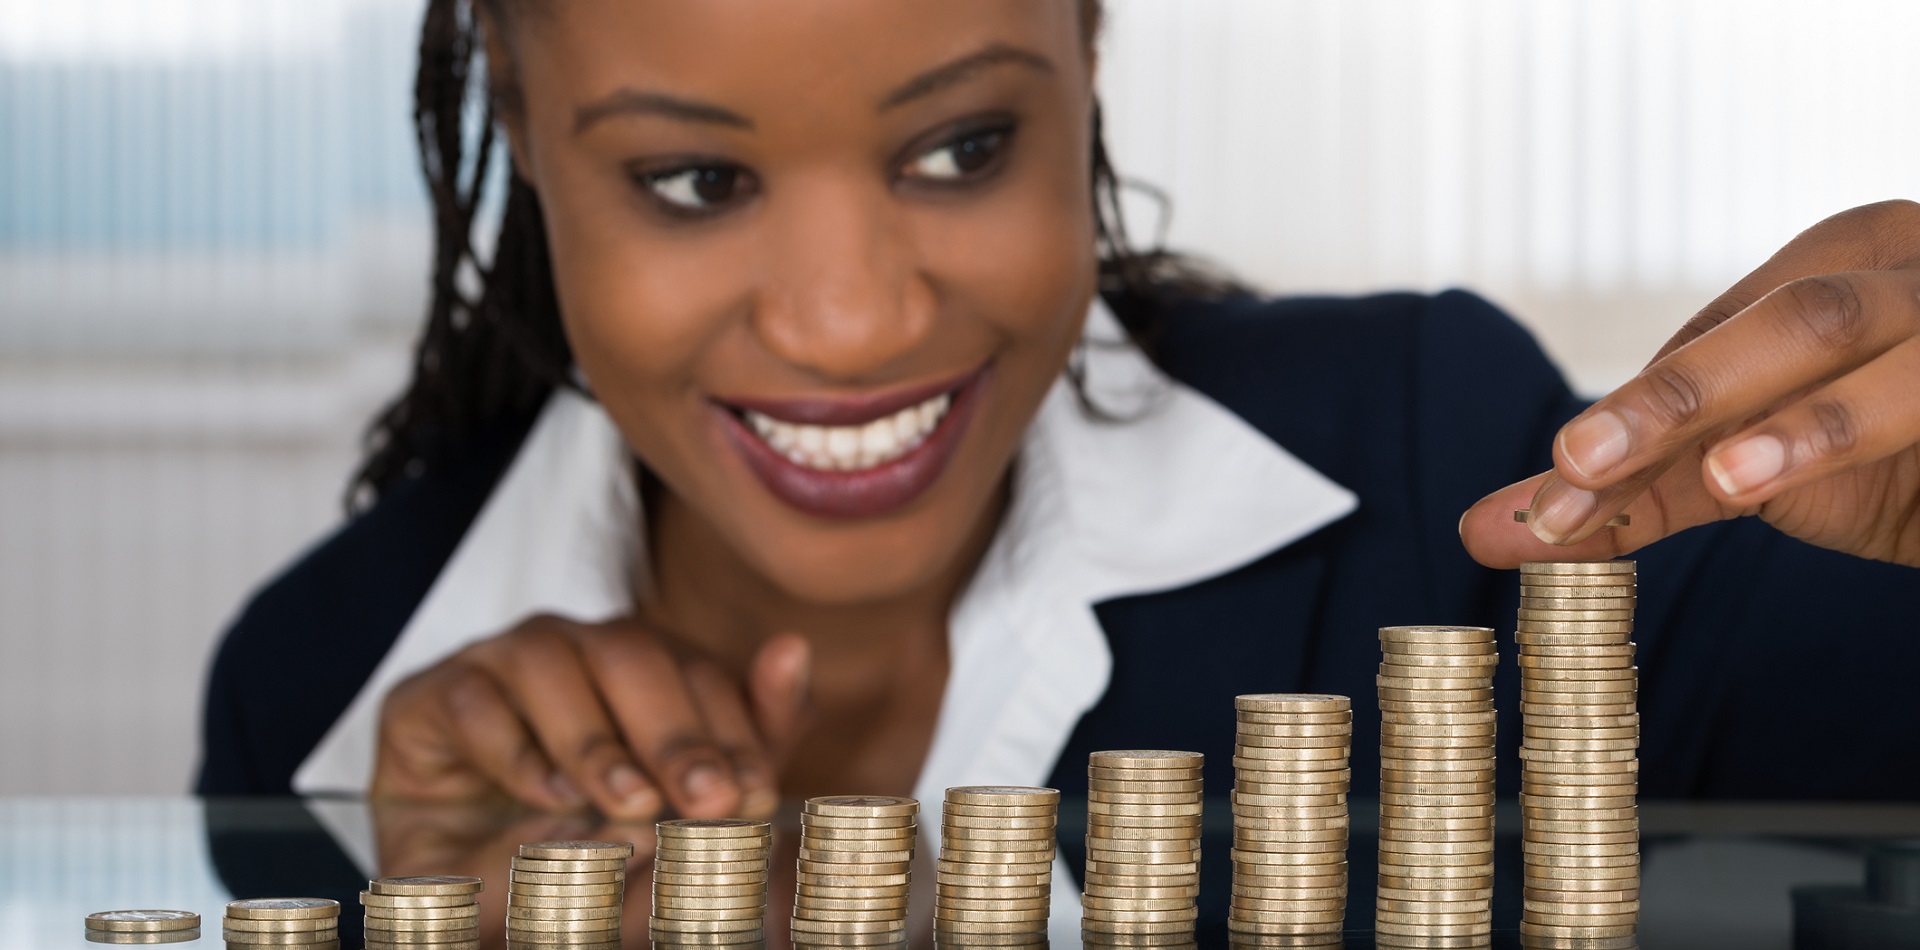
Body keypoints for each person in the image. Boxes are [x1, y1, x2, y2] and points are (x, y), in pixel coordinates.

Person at [198, 0, 1920, 818]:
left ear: (1087, 59)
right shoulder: (319, 699)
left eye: (963, 147)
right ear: (507, 107)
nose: (853, 318)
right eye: (695, 178)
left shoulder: (1429, 449)